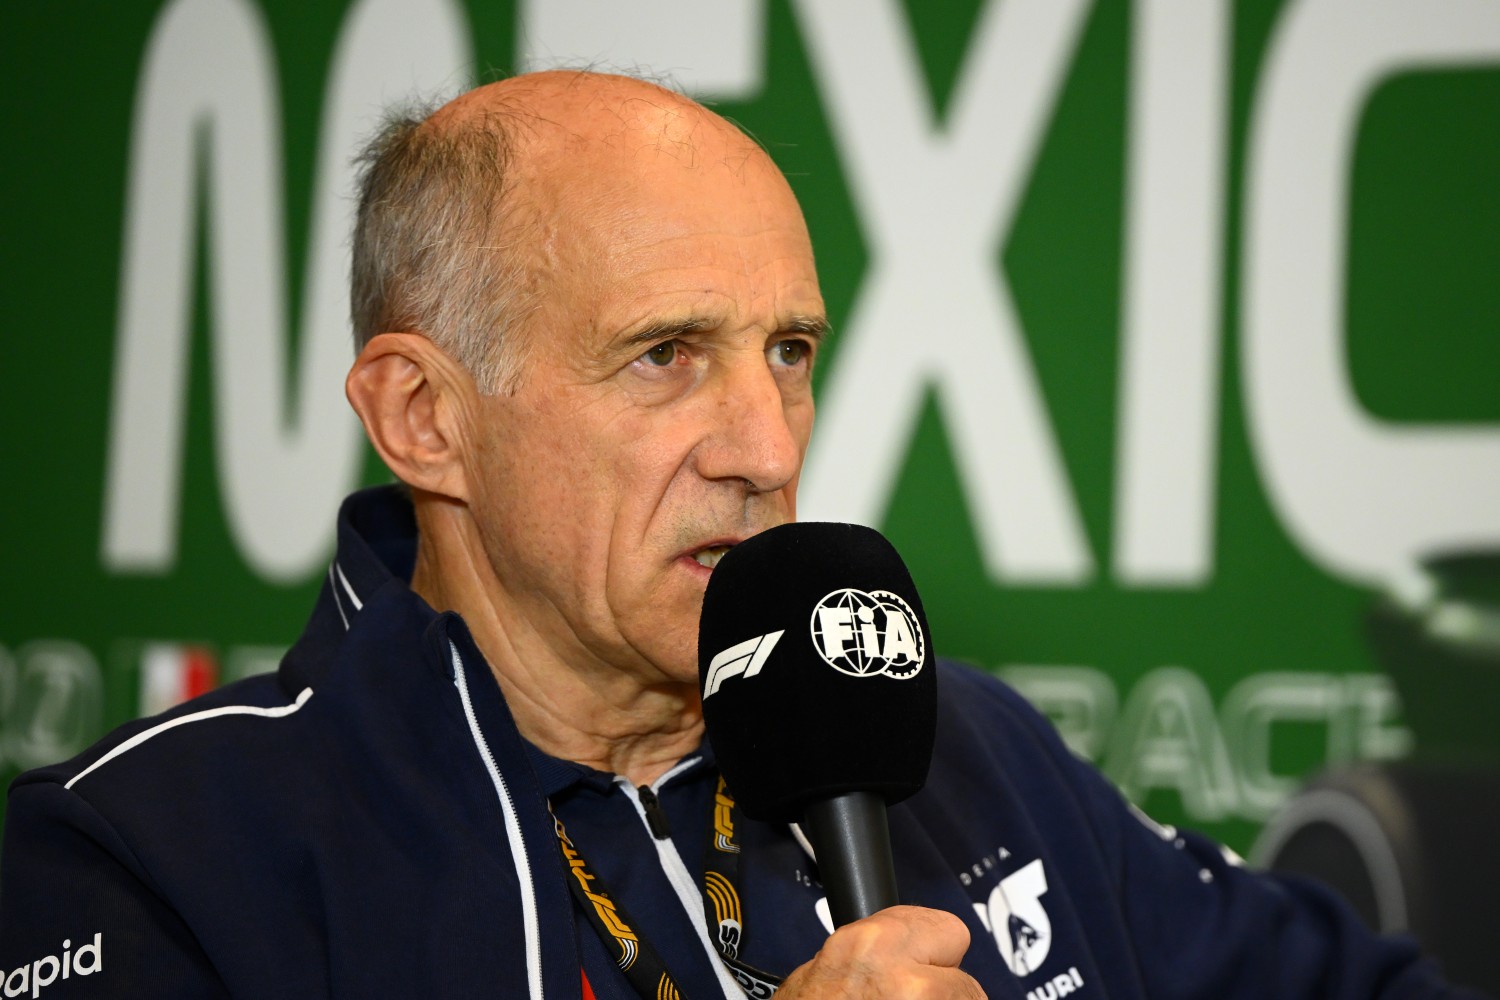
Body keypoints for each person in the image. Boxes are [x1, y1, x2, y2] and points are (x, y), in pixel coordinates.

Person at [0, 71, 1483, 1000]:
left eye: (788, 349)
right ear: (422, 417)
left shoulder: (952, 751)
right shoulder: (154, 859)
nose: (768, 450)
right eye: (665, 356)